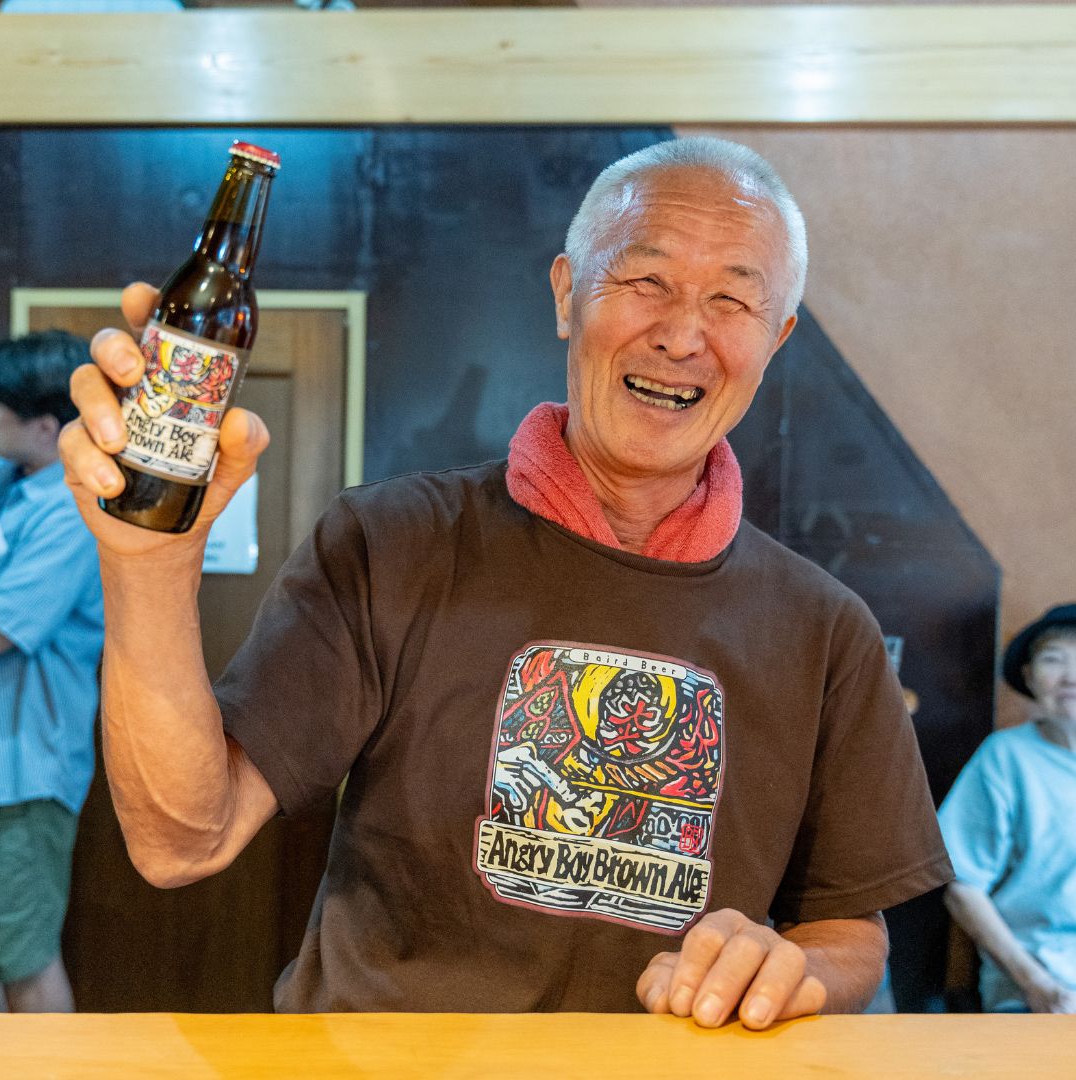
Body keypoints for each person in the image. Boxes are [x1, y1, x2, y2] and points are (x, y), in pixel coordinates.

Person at [60, 136, 951, 1026]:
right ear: (567, 293)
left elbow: (849, 926)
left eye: (733, 300)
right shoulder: (391, 544)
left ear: (777, 338)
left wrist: (791, 967)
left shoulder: (825, 628)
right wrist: (147, 563)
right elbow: (181, 840)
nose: (683, 335)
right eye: (646, 282)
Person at [0, 330, 103, 1012]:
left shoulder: (70, 508)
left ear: (42, 427)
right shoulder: (14, 482)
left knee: (26, 959)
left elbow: (2, 629)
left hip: (24, 774)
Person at [939, 604, 1076, 1013]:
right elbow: (962, 887)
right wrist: (1037, 984)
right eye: (1054, 659)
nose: (1071, 676)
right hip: (1041, 984)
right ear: (1031, 677)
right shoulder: (1006, 757)